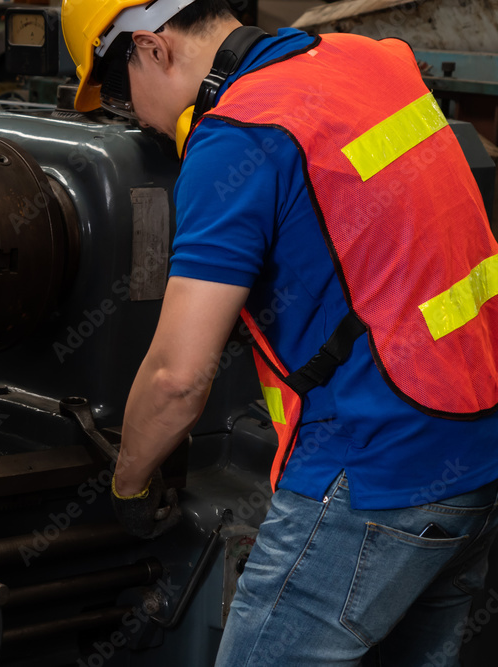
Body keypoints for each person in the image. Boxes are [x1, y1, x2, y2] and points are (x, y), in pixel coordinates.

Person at [62, 0, 498, 664]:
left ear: (152, 48)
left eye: (121, 94)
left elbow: (177, 380)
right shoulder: (368, 60)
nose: (135, 116)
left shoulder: (239, 134)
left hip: (371, 468)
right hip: (475, 450)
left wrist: (129, 481)